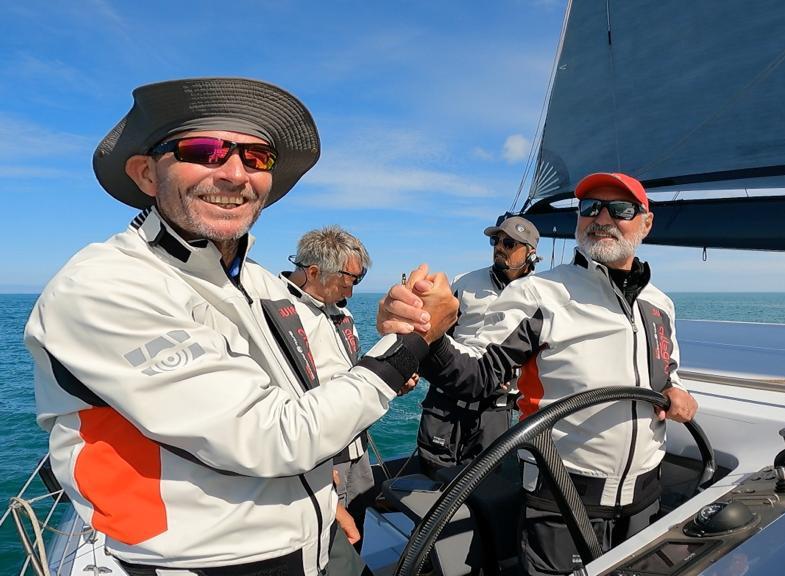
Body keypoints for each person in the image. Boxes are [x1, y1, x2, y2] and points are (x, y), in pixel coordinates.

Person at [24, 78, 456, 576]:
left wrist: (314, 495)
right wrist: (416, 338)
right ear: (146, 173)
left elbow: (331, 393)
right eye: (203, 151)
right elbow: (273, 435)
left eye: (257, 158)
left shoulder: (262, 285)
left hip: (313, 538)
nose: (234, 173)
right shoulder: (101, 286)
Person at [382, 172, 699, 576]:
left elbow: (667, 371)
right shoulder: (541, 294)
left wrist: (678, 392)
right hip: (563, 497)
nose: (602, 217)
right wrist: (429, 335)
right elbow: (476, 375)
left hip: (646, 495)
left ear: (646, 222)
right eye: (590, 208)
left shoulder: (659, 305)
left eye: (619, 208)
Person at [279, 225, 383, 550]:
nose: (351, 293)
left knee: (358, 523)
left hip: (356, 445)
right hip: (321, 454)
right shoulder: (280, 314)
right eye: (348, 282)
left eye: (357, 282)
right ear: (313, 272)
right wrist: (314, 469)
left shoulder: (340, 311)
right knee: (327, 539)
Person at [416, 216, 540, 477]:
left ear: (530, 253)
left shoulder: (539, 296)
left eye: (509, 243)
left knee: (486, 483)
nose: (500, 247)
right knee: (432, 474)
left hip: (495, 410)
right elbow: (438, 330)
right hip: (446, 402)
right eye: (496, 241)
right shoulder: (464, 283)